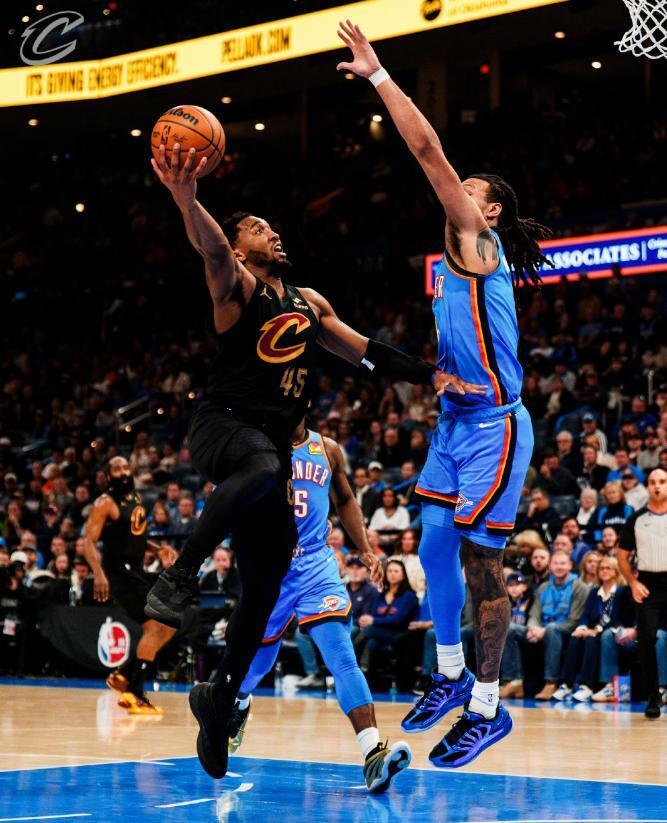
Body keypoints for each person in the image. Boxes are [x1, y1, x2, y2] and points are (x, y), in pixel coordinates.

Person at [148, 140, 476, 778]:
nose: (273, 232)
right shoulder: (236, 285)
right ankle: (182, 574)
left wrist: (429, 375)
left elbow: (367, 351)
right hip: (224, 425)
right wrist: (187, 200)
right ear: (241, 248)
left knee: (265, 577)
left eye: (272, 226)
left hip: (270, 454)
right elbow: (211, 248)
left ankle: (220, 697)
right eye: (258, 228)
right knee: (266, 467)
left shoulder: (309, 302)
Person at [337, 20, 547, 765]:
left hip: (495, 426)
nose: (458, 191)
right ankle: (452, 674)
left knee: (483, 563)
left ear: (488, 213)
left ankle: (488, 707)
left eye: (472, 190)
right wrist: (435, 375)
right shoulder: (453, 257)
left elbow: (428, 152)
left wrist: (379, 76)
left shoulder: (480, 245)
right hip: (455, 422)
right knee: (432, 543)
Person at [229, 422, 411, 793]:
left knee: (342, 657)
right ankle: (239, 702)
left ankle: (372, 753)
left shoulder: (327, 449)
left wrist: (365, 549)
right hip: (270, 567)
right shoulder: (255, 447)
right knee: (259, 662)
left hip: (316, 565)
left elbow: (345, 500)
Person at [81, 457, 177, 715]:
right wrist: (98, 574)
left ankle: (125, 675)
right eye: (117, 469)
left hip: (135, 570)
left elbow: (136, 536)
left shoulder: (135, 497)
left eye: (125, 467)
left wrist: (158, 549)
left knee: (170, 622)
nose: (123, 472)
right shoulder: (104, 503)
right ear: (108, 475)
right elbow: (88, 541)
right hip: (117, 572)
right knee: (155, 625)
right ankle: (134, 693)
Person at [617, 467, 667, 719]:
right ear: (647, 486)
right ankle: (653, 697)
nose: (657, 486)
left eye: (663, 481)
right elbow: (622, 556)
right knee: (646, 639)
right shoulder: (636, 519)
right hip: (648, 584)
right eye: (653, 482)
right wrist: (632, 582)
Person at [552, 556, 631, 702]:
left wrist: (597, 630)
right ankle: (566, 685)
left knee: (591, 639)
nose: (604, 571)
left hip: (612, 631)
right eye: (601, 568)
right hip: (592, 629)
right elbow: (586, 615)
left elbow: (621, 618)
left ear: (616, 571)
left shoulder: (622, 591)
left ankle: (586, 686)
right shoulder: (595, 592)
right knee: (575, 637)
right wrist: (581, 627)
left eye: (608, 568)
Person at [525, 550, 589, 700]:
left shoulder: (580, 587)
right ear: (550, 566)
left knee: (552, 629)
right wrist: (533, 628)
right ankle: (513, 681)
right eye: (556, 563)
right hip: (542, 629)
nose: (559, 567)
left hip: (566, 631)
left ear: (570, 565)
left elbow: (574, 620)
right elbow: (534, 614)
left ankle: (551, 682)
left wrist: (545, 630)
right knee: (512, 630)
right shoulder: (543, 587)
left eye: (563, 563)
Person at [354, 559, 419, 671]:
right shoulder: (380, 596)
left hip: (400, 634)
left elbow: (397, 620)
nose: (392, 574)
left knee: (369, 631)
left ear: (403, 575)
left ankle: (349, 664)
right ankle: (364, 671)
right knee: (371, 642)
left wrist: (373, 621)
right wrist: (367, 620)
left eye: (396, 571)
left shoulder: (408, 596)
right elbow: (373, 615)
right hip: (379, 632)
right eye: (389, 571)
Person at [498, 573, 533, 699]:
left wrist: (533, 628)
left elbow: (534, 617)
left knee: (509, 629)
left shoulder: (531, 600)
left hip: (528, 631)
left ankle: (512, 679)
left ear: (524, 587)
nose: (514, 588)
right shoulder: (504, 602)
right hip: (511, 635)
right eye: (510, 585)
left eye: (517, 585)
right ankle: (509, 683)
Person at [390, 529, 426, 600]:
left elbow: (421, 586)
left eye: (410, 539)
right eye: (404, 539)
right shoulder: (391, 559)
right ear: (401, 541)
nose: (407, 542)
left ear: (415, 541)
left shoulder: (420, 560)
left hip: (415, 596)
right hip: (393, 597)